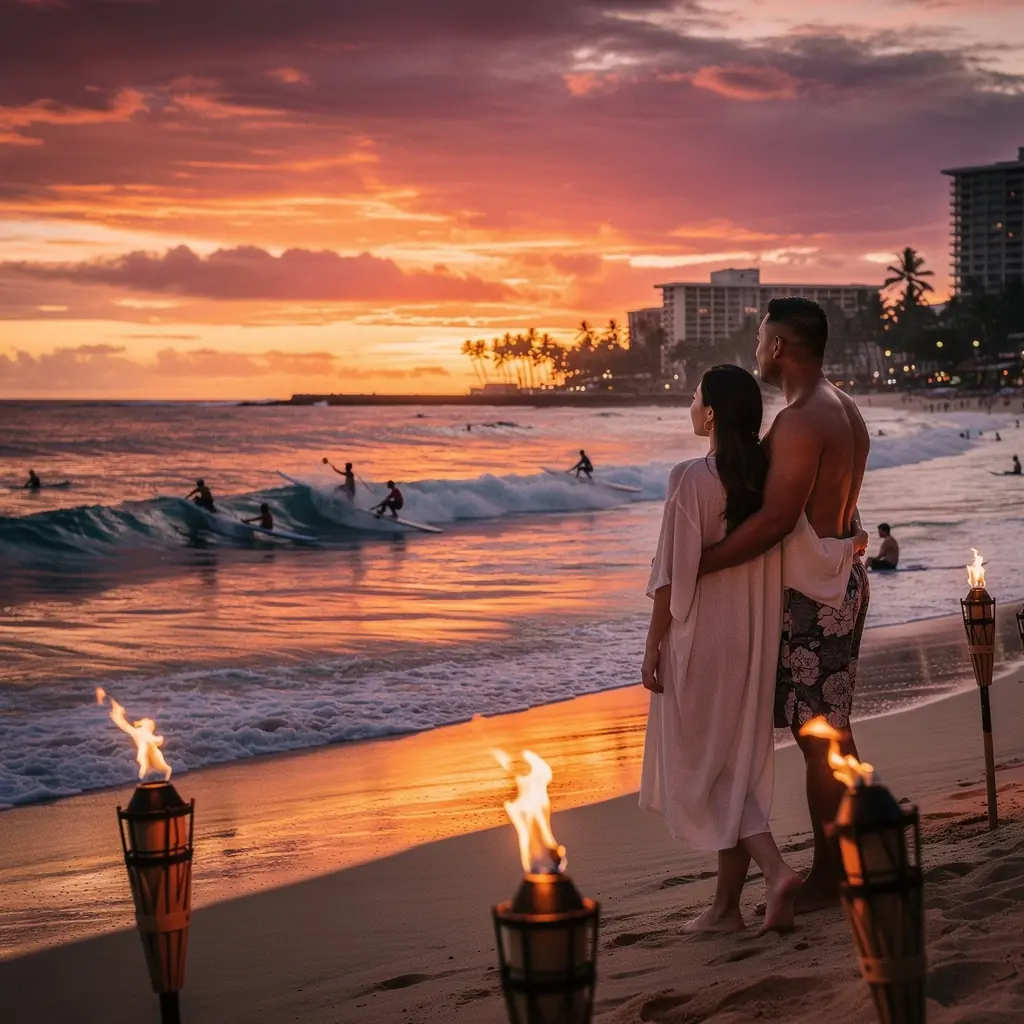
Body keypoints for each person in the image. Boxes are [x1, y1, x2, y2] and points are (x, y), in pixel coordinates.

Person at [640, 364, 854, 936]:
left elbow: (669, 574)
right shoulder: (766, 481)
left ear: (710, 413)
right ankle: (726, 909)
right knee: (732, 767)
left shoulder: (689, 478)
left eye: (693, 396)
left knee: (704, 769)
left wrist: (652, 646)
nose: (690, 404)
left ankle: (777, 869)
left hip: (702, 638)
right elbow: (808, 546)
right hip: (756, 642)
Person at [698, 297, 871, 916]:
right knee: (833, 732)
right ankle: (853, 860)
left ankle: (831, 874)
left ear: (779, 347)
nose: (754, 350)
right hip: (840, 580)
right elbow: (836, 507)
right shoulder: (842, 405)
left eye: (760, 339)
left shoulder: (801, 419)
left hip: (814, 597)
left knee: (818, 736)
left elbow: (775, 520)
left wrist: (702, 563)